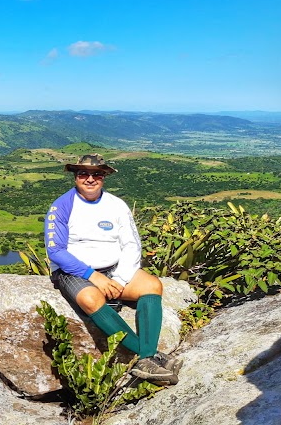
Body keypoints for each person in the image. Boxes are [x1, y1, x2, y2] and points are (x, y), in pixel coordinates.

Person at [45, 153, 181, 384]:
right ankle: (149, 355)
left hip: (114, 267)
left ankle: (145, 359)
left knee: (152, 285)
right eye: (83, 174)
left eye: (96, 174)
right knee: (90, 299)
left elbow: (131, 244)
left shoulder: (116, 205)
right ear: (75, 177)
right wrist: (92, 276)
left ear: (104, 177)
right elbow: (56, 251)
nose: (90, 179)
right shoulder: (61, 207)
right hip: (75, 272)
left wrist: (119, 278)